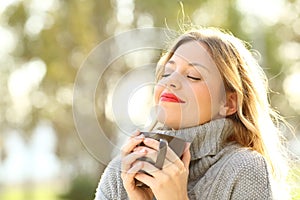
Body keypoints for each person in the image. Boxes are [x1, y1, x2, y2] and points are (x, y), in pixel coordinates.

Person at [94, 27, 290, 199]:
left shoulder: (245, 169)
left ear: (228, 103)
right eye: (166, 73)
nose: (170, 82)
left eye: (193, 76)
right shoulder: (121, 173)